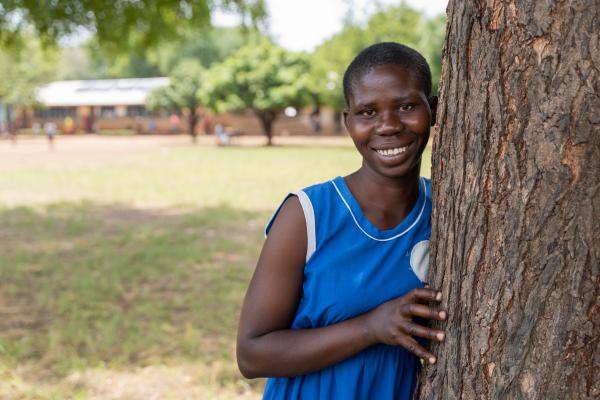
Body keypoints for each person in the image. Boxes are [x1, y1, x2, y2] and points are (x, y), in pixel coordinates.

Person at [236, 42, 446, 400]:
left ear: (435, 108)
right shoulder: (308, 215)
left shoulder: (444, 212)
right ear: (349, 123)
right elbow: (252, 354)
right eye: (368, 112)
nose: (389, 126)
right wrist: (370, 327)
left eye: (407, 106)